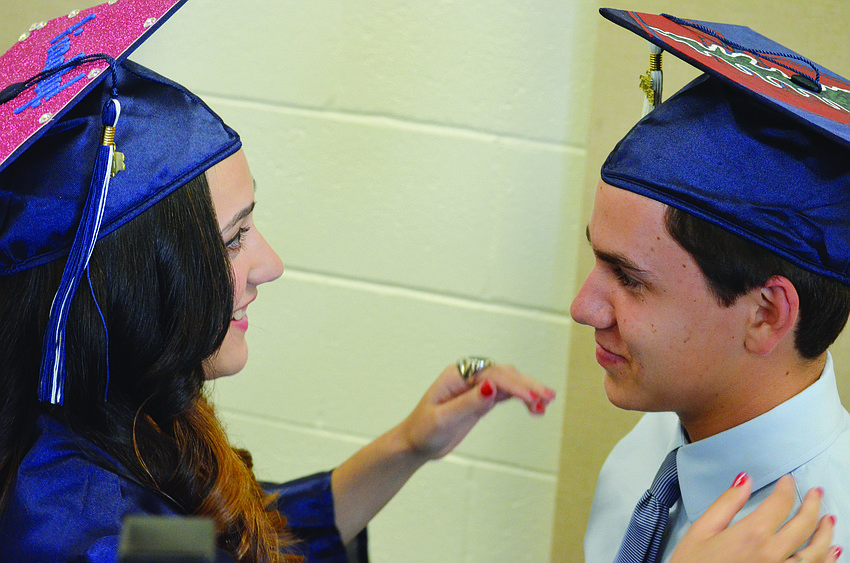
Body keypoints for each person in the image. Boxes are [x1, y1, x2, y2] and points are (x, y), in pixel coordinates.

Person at [0, 2, 837, 562]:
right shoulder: (64, 523)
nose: (270, 263)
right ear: (128, 283)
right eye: (234, 236)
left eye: (628, 276)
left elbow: (210, 546)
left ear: (768, 312)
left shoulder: (122, 420)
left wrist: (406, 447)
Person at [575, 8, 850, 563]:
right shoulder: (647, 455)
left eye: (628, 277)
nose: (583, 307)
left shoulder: (831, 538)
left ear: (767, 314)